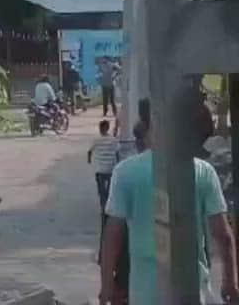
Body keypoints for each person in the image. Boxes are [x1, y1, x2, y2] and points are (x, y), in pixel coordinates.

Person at [100, 99, 238, 305]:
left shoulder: (126, 172)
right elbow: (223, 235)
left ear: (148, 129)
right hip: (193, 289)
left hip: (145, 294)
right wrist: (230, 281)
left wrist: (107, 286)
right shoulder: (202, 171)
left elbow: (112, 235)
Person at [89, 119, 119, 216]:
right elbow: (117, 152)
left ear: (100, 129)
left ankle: (103, 207)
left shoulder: (96, 140)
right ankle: (110, 206)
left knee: (101, 191)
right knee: (110, 190)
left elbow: (90, 151)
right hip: (111, 168)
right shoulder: (113, 140)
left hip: (100, 169)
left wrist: (89, 160)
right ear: (108, 128)